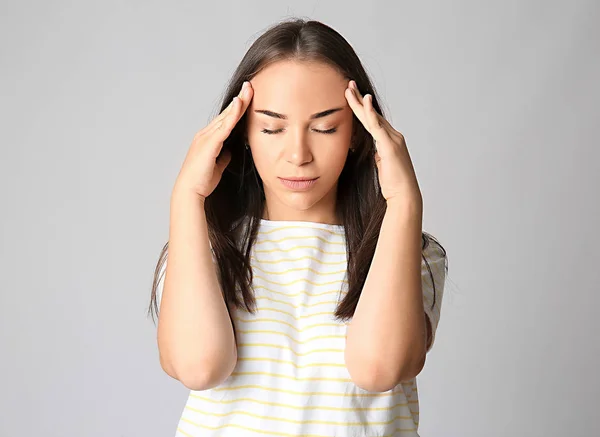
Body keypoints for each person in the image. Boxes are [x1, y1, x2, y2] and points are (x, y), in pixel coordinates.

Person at [148, 17, 448, 437]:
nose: (298, 154)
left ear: (361, 135)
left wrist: (403, 201)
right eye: (272, 127)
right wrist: (186, 198)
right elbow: (199, 365)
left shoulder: (411, 251)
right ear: (242, 133)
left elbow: (380, 367)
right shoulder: (202, 248)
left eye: (325, 127)